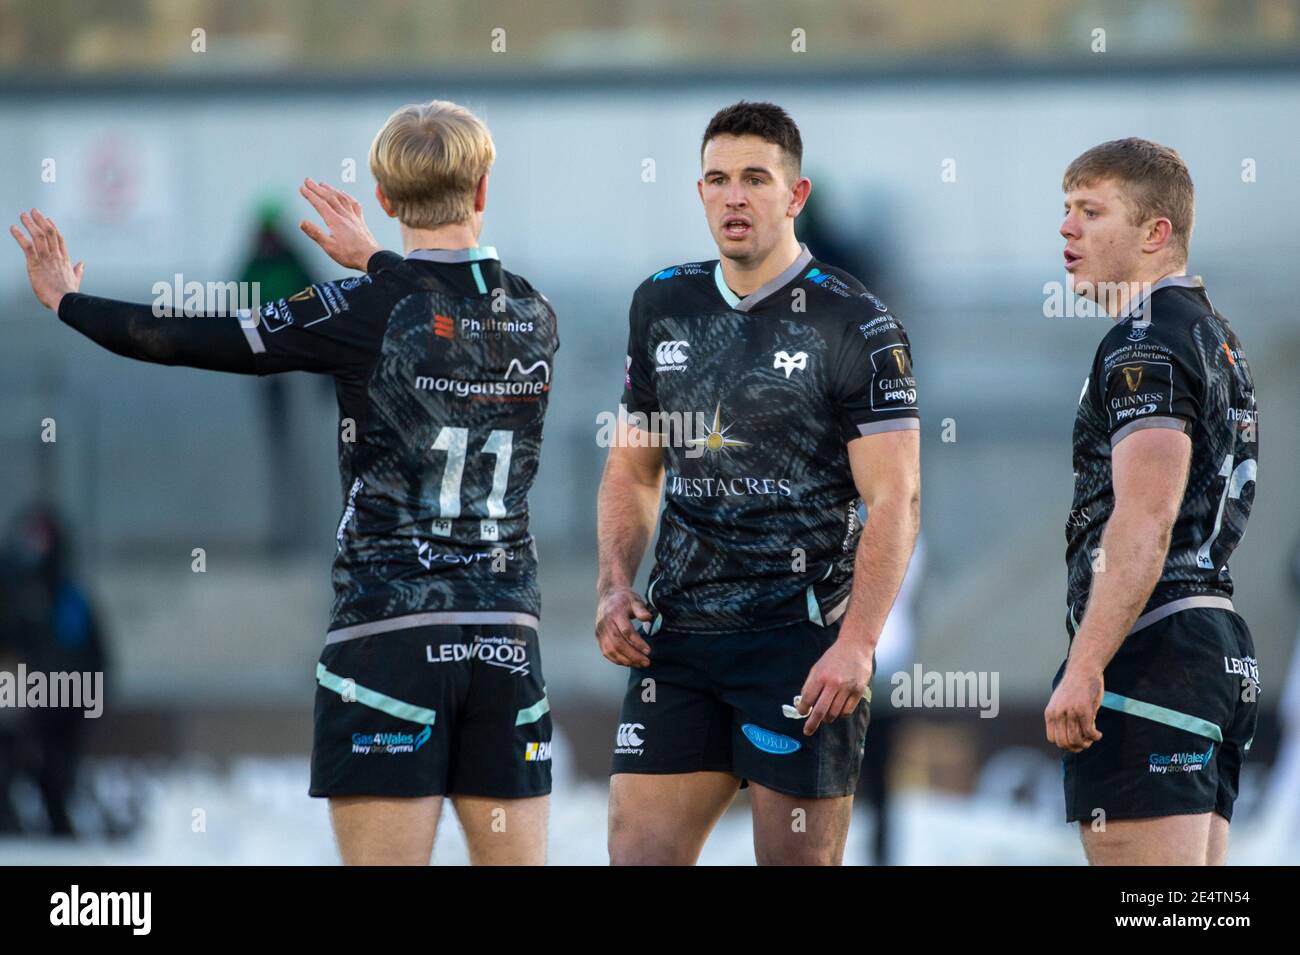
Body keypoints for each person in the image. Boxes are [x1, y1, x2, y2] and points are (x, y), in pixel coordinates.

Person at [11, 100, 559, 866]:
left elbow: (188, 337)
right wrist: (377, 260)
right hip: (506, 639)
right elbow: (448, 306)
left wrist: (69, 301)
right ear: (483, 190)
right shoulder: (534, 312)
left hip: (386, 638)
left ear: (388, 200)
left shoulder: (359, 308)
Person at [595, 101, 921, 865]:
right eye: (716, 179)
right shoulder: (662, 304)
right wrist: (615, 581)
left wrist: (858, 643)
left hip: (800, 648)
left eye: (754, 179)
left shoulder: (858, 323)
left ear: (795, 195)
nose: (733, 197)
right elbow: (634, 467)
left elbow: (895, 499)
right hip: (677, 641)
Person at [1046, 138, 1259, 865]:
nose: (1068, 229)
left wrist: (1085, 663)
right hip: (1212, 644)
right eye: (1066, 210)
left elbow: (1145, 514)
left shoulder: (1143, 339)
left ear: (1154, 233)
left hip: (1155, 651)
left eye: (1091, 211)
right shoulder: (1215, 335)